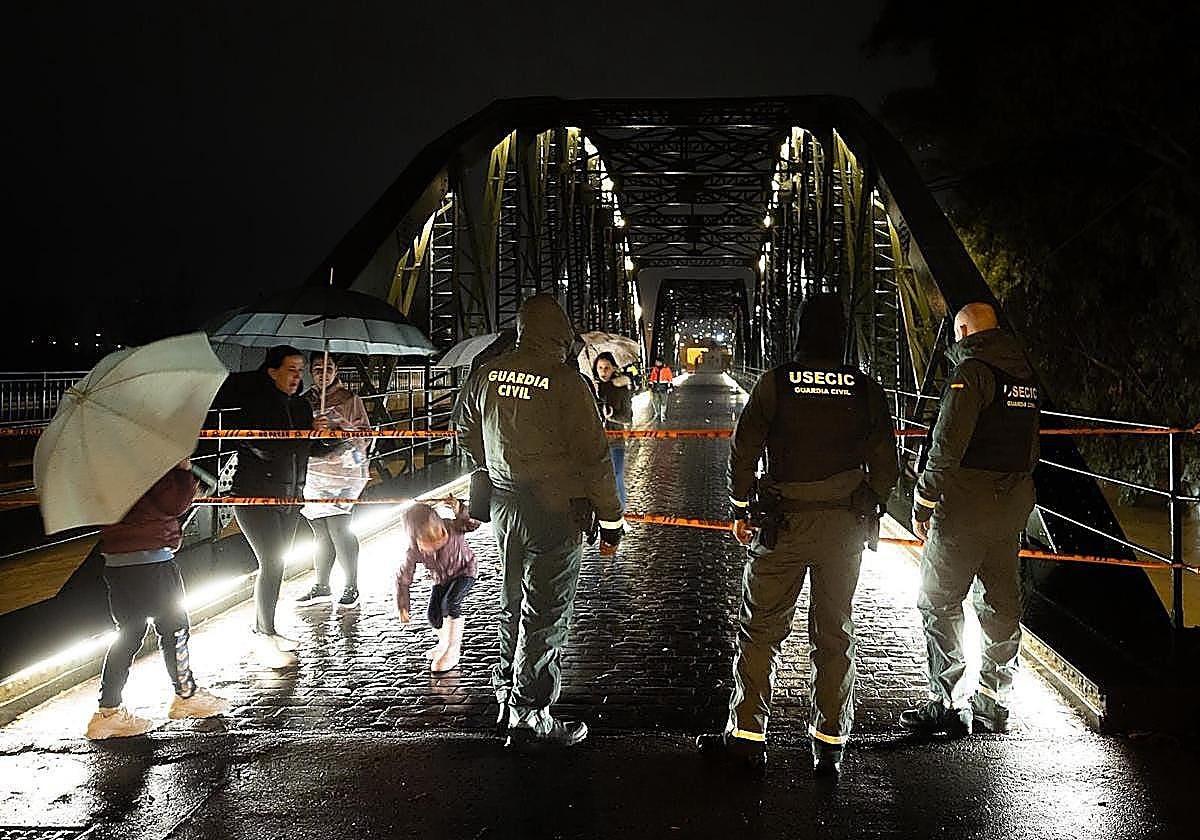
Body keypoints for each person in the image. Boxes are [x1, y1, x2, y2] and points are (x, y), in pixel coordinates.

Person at [696, 293, 899, 779]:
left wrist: (740, 507)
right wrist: (869, 502)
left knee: (761, 631)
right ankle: (830, 743)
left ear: (801, 333)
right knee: (835, 633)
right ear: (842, 336)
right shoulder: (865, 389)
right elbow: (887, 463)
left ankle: (747, 738)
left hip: (782, 525)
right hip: (842, 530)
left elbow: (744, 450)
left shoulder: (776, 382)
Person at [458, 294, 625, 749]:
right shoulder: (568, 382)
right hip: (554, 510)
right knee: (547, 610)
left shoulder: (487, 373)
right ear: (561, 333)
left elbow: (464, 429)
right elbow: (594, 458)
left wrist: (489, 469)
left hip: (504, 505)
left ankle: (505, 695)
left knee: (513, 600)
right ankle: (532, 713)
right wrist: (611, 520)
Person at [901, 302, 1040, 737]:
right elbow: (1030, 448)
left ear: (962, 332)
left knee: (939, 600)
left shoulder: (972, 373)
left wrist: (924, 500)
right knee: (1000, 604)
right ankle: (993, 701)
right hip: (1010, 507)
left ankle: (949, 702)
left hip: (964, 508)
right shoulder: (1025, 377)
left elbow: (947, 445)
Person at [86, 460, 229, 739]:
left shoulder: (105, 463)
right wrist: (183, 471)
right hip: (151, 558)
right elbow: (175, 503)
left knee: (129, 633)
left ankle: (108, 712)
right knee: (174, 627)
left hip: (116, 561)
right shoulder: (148, 457)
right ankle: (186, 696)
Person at [211, 344, 327, 669]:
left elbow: (307, 450)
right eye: (291, 370)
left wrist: (331, 438)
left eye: (300, 370)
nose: (297, 377)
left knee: (278, 563)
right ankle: (263, 634)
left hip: (291, 498)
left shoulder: (301, 406)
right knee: (272, 562)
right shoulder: (255, 405)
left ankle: (268, 629)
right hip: (256, 498)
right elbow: (267, 448)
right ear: (272, 371)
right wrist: (307, 435)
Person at [296, 353, 371, 610]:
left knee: (340, 528)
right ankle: (322, 584)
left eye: (328, 368)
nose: (323, 373)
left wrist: (339, 429)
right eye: (318, 369)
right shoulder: (305, 401)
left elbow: (364, 435)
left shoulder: (350, 400)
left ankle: (351, 585)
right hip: (314, 475)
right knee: (320, 532)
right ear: (311, 371)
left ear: (336, 371)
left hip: (342, 475)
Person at [395, 499, 480, 673]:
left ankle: (453, 649)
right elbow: (403, 578)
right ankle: (444, 643)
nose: (436, 542)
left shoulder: (453, 527)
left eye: (439, 534)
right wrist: (403, 605)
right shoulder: (413, 551)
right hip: (441, 579)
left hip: (465, 571)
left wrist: (460, 509)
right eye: (428, 540)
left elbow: (472, 523)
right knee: (433, 614)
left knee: (451, 603)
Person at [592, 351, 634, 507]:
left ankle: (621, 510)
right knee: (597, 479)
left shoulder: (620, 388)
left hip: (615, 441)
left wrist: (610, 415)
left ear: (614, 368)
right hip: (595, 441)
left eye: (607, 367)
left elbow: (627, 417)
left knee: (616, 476)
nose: (603, 371)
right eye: (600, 367)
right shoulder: (591, 388)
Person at [648, 355, 674, 423]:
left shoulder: (667, 369)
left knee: (664, 402)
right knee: (655, 401)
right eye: (656, 362)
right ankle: (657, 413)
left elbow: (670, 378)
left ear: (661, 362)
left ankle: (663, 415)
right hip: (655, 387)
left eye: (657, 362)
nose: (656, 363)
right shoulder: (654, 369)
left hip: (663, 387)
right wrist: (650, 384)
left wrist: (670, 386)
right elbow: (652, 377)